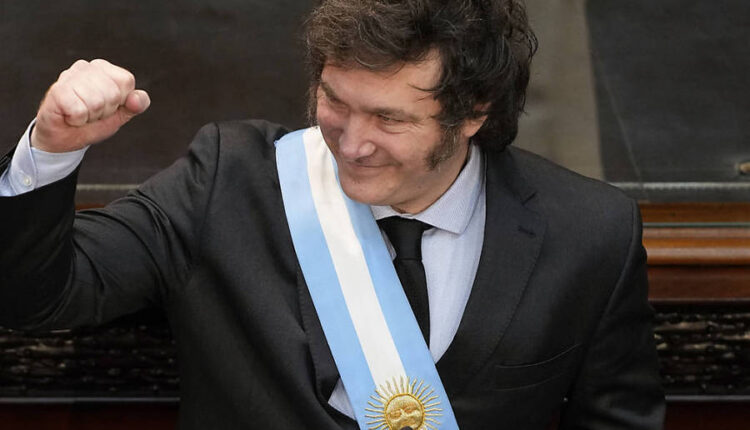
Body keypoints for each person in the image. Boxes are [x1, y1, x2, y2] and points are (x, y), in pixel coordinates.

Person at [0, 0, 664, 428]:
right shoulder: (227, 181)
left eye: (389, 119)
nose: (351, 142)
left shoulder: (589, 232)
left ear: (473, 114)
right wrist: (50, 151)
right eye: (336, 101)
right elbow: (36, 300)